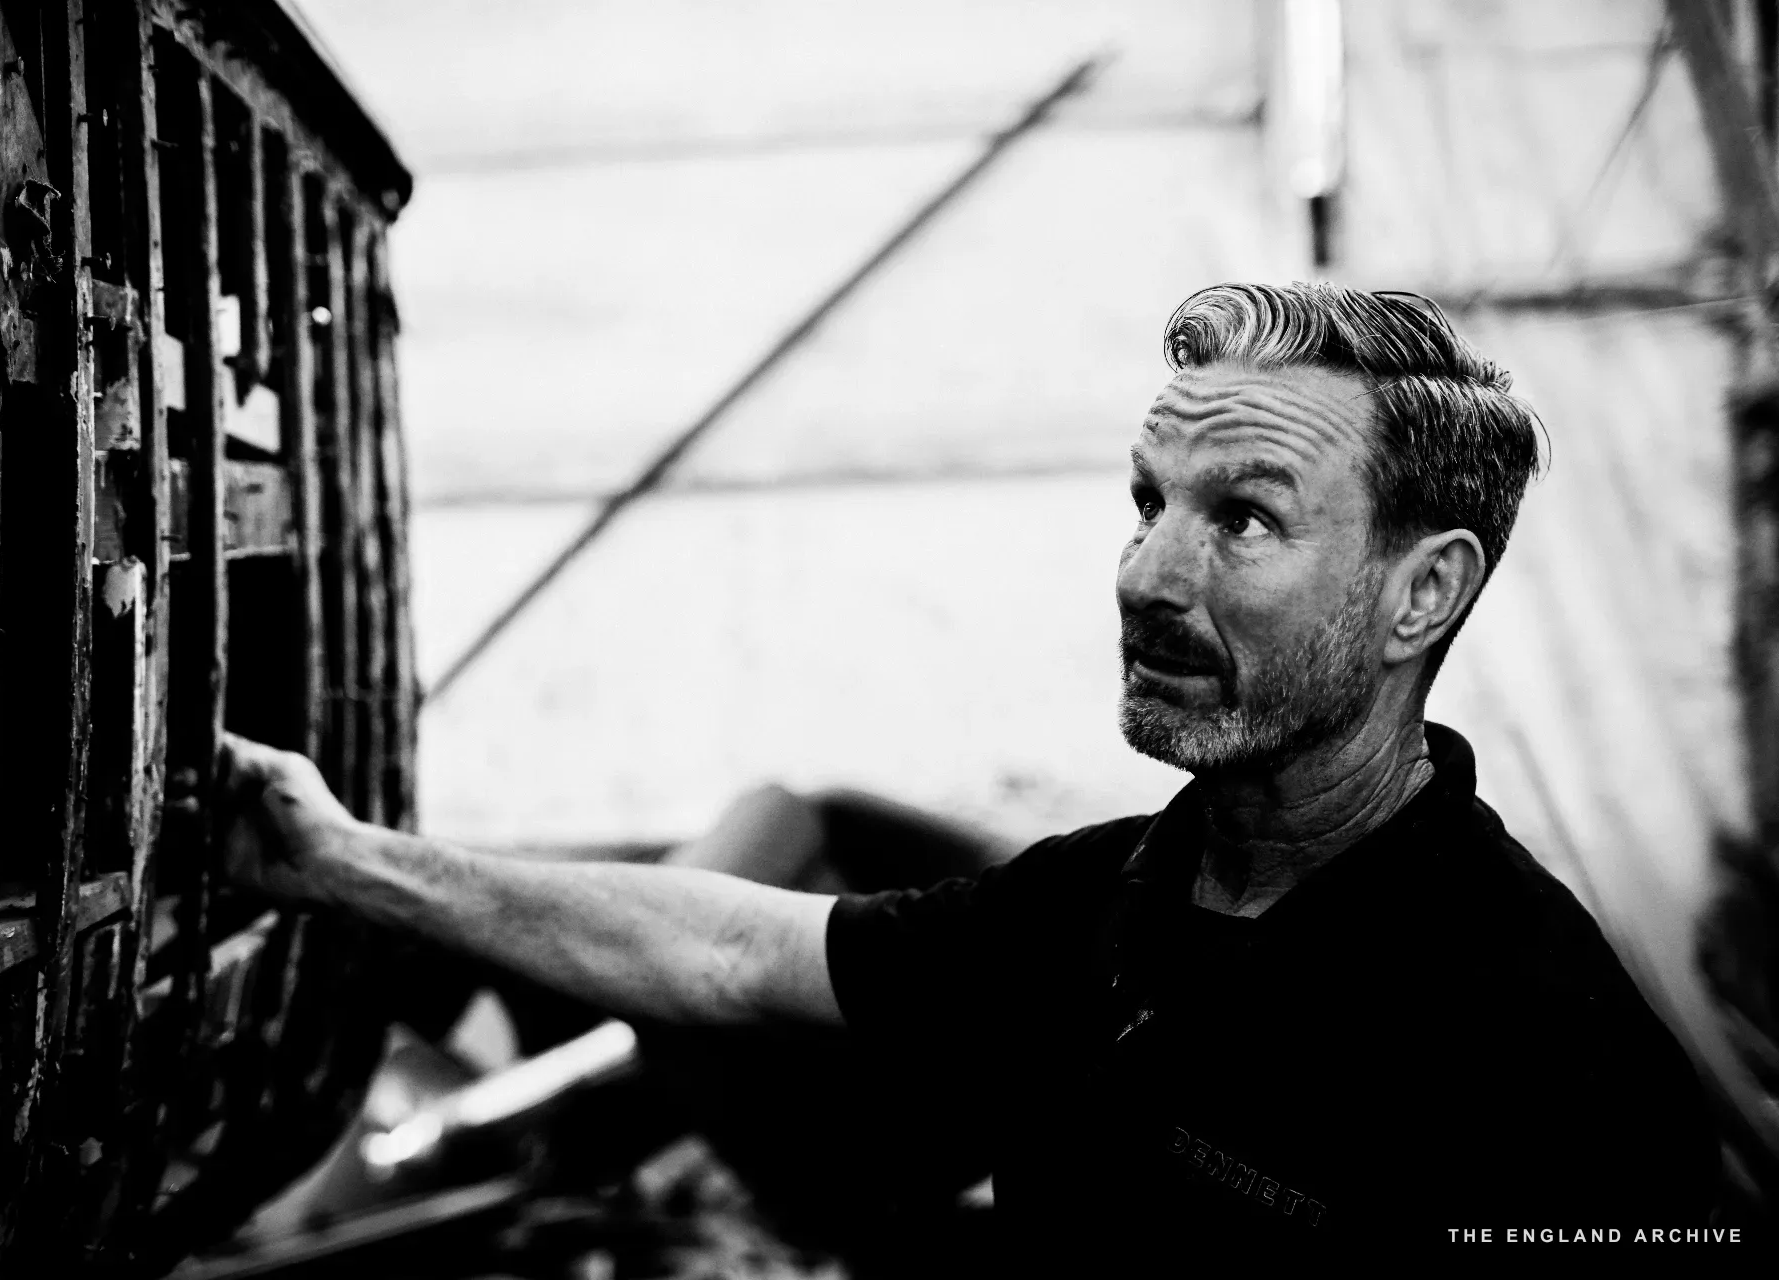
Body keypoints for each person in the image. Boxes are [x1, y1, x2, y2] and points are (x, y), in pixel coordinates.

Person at [220, 282, 1719, 1262]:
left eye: (1246, 519)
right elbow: (736, 951)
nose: (1146, 572)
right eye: (1148, 501)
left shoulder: (1546, 1046)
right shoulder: (1107, 904)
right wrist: (342, 859)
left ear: (1420, 593)